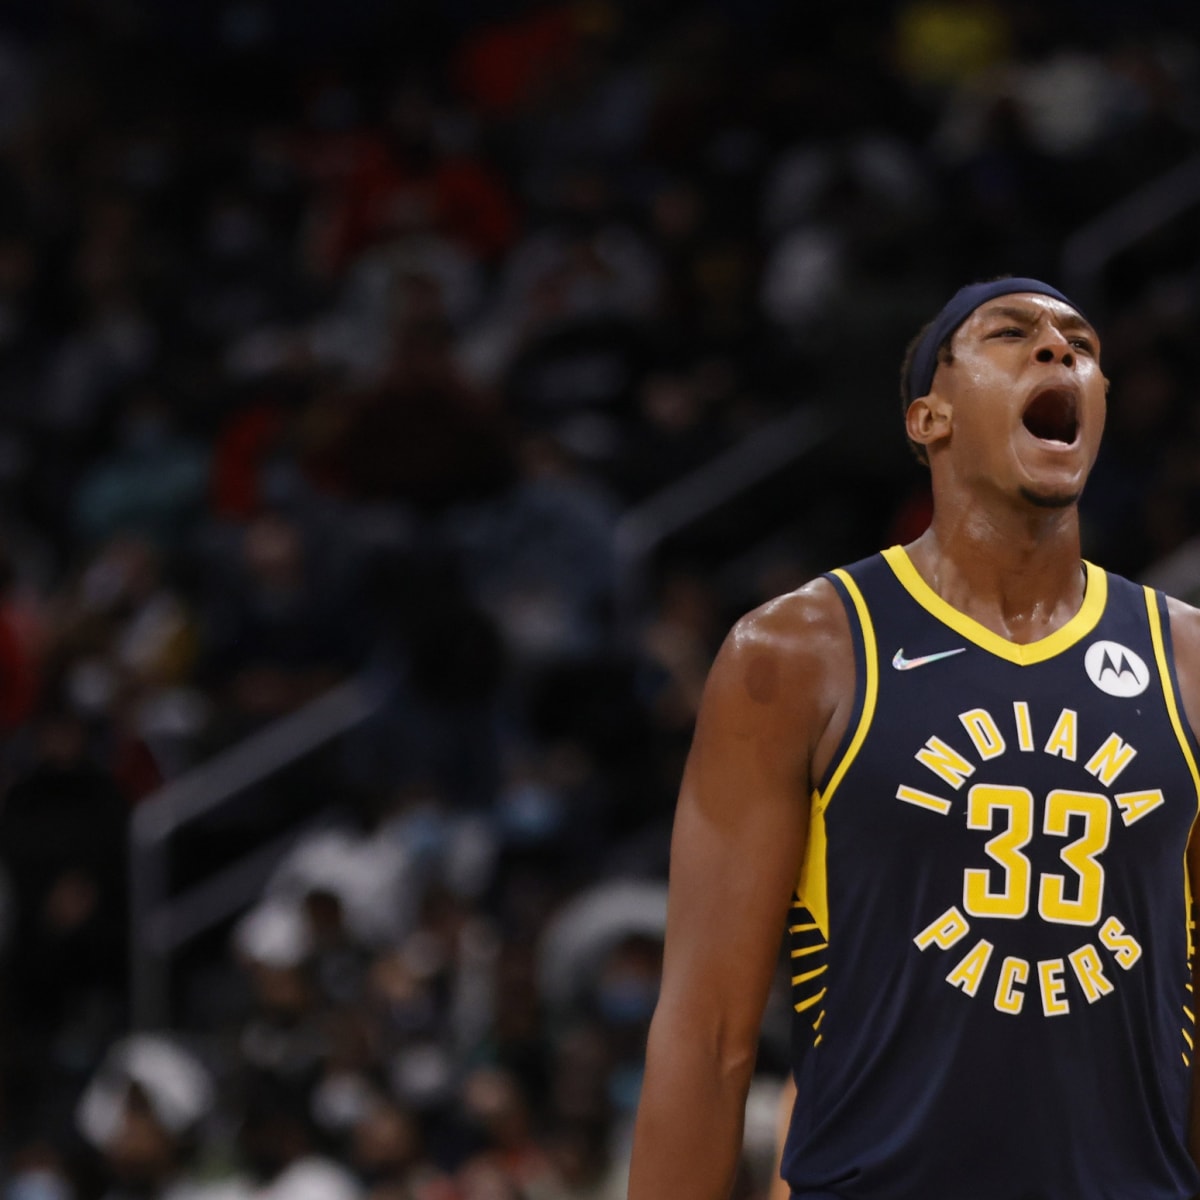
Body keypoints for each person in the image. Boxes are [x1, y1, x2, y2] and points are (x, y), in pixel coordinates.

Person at [626, 277, 1200, 1199]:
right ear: (929, 418)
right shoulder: (800, 652)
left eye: (1082, 346)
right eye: (1010, 334)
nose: (1058, 349)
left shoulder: (1188, 660)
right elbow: (707, 1034)